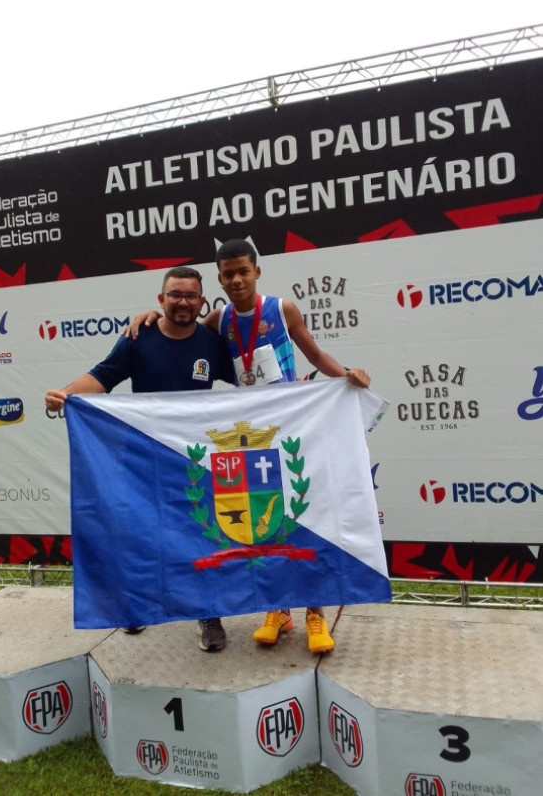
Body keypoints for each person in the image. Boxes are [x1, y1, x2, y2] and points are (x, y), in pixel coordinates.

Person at [127, 239, 371, 654]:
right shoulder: (218, 318)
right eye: (228, 274)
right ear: (219, 280)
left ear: (257, 271)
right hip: (251, 438)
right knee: (267, 522)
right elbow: (179, 334)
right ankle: (278, 610)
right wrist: (148, 316)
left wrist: (347, 374)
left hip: (292, 429)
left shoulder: (282, 309)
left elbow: (313, 352)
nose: (236, 279)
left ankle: (315, 613)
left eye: (243, 270)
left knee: (304, 517)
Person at [45, 266, 234, 652]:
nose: (183, 302)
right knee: (139, 535)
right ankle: (136, 607)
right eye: (175, 294)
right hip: (142, 458)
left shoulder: (212, 343)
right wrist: (64, 394)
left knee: (201, 535)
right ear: (161, 299)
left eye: (190, 296)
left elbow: (249, 386)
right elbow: (102, 376)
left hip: (192, 459)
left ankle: (206, 613)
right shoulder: (137, 337)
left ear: (202, 301)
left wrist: (291, 393)